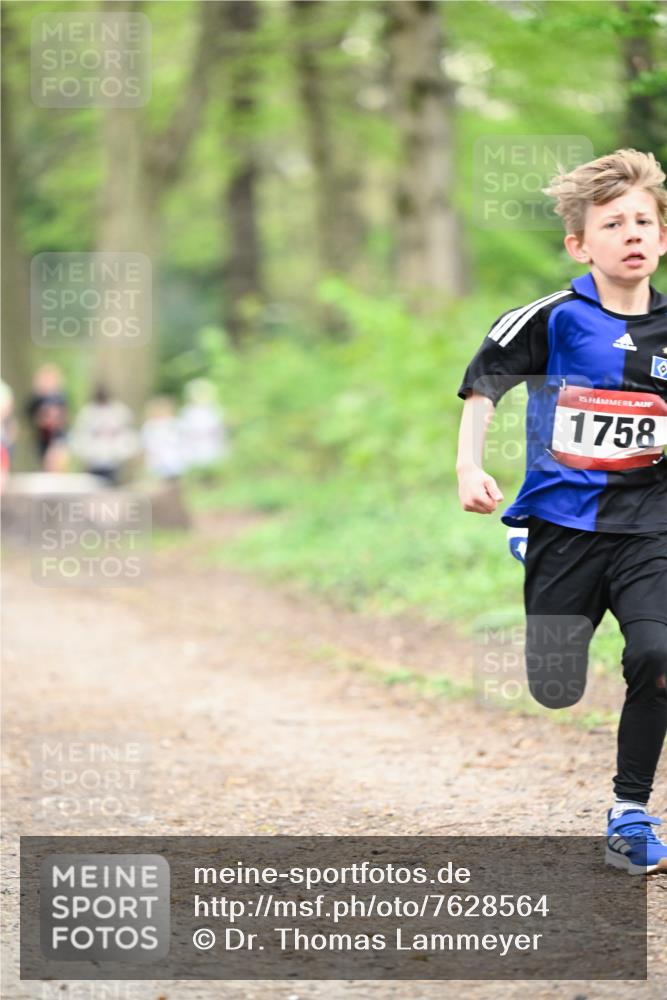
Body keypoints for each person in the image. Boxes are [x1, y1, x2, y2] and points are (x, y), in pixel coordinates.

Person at [456, 149, 667, 875]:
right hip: (564, 527)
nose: (631, 234)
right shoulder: (554, 318)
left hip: (651, 527)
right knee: (554, 687)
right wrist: (468, 465)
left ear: (662, 238)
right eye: (612, 224)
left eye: (643, 221)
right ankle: (532, 559)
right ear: (580, 244)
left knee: (657, 656)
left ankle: (629, 813)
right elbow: (484, 383)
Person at [69, 383, 140, 485]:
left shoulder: (119, 411)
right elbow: (80, 435)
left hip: (113, 462)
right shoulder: (88, 412)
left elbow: (128, 434)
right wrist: (86, 454)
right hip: (94, 462)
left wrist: (122, 452)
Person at [25, 363, 69, 471]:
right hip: (43, 437)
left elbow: (65, 416)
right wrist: (42, 419)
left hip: (58, 435)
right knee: (47, 463)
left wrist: (57, 419)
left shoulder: (60, 397)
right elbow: (29, 415)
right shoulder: (37, 398)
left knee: (57, 458)